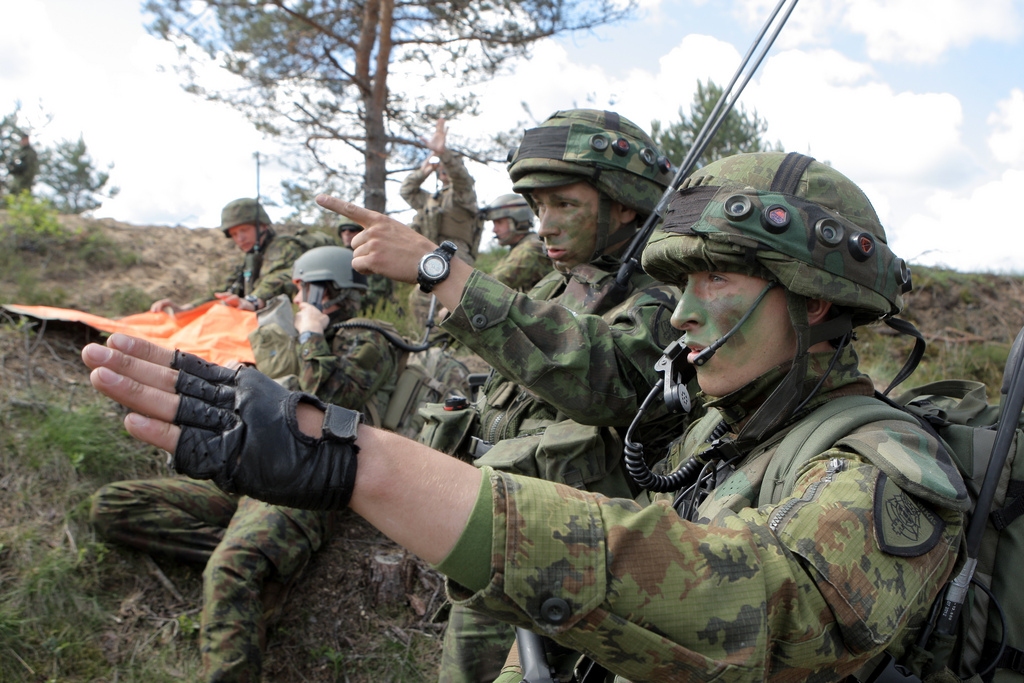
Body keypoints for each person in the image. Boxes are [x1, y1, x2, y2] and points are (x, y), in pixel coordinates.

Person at [84, 151, 967, 683]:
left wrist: (368, 465)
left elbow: (770, 608)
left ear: (815, 303)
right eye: (681, 286)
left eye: (718, 284)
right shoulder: (718, 425)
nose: (686, 316)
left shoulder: (886, 461)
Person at [90, 246, 402, 683]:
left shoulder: (371, 337)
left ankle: (243, 564)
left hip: (303, 476)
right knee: (113, 505)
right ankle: (260, 560)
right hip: (253, 465)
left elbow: (331, 406)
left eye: (301, 289)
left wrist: (311, 335)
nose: (296, 298)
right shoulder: (300, 329)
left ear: (327, 289)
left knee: (229, 569)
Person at [150, 198, 329, 314]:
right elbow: (228, 294)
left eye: (244, 230)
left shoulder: (282, 246)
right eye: (234, 234)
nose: (240, 238)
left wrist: (252, 301)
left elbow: (279, 277)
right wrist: (186, 308)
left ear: (262, 226)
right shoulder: (250, 259)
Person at [400, 118, 481, 328]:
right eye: (441, 167)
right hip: (431, 253)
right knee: (420, 300)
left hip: (456, 255)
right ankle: (428, 343)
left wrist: (444, 153)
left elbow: (462, 179)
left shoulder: (463, 195)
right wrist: (423, 171)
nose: (444, 169)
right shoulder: (432, 199)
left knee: (453, 300)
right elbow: (407, 191)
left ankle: (451, 344)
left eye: (448, 167)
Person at [480, 193, 552, 293]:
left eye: (499, 222)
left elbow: (488, 286)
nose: (494, 230)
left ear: (517, 220)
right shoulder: (524, 245)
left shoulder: (530, 249)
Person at [337, 217, 394, 313]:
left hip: (372, 313)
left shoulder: (372, 257)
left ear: (361, 233)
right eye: (343, 230)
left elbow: (376, 296)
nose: (347, 233)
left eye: (352, 230)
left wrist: (343, 301)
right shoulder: (338, 258)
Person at [7, 132, 39, 196]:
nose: (22, 141)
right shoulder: (20, 151)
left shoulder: (30, 153)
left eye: (24, 139)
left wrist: (25, 179)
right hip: (17, 179)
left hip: (24, 182)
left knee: (21, 198)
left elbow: (31, 169)